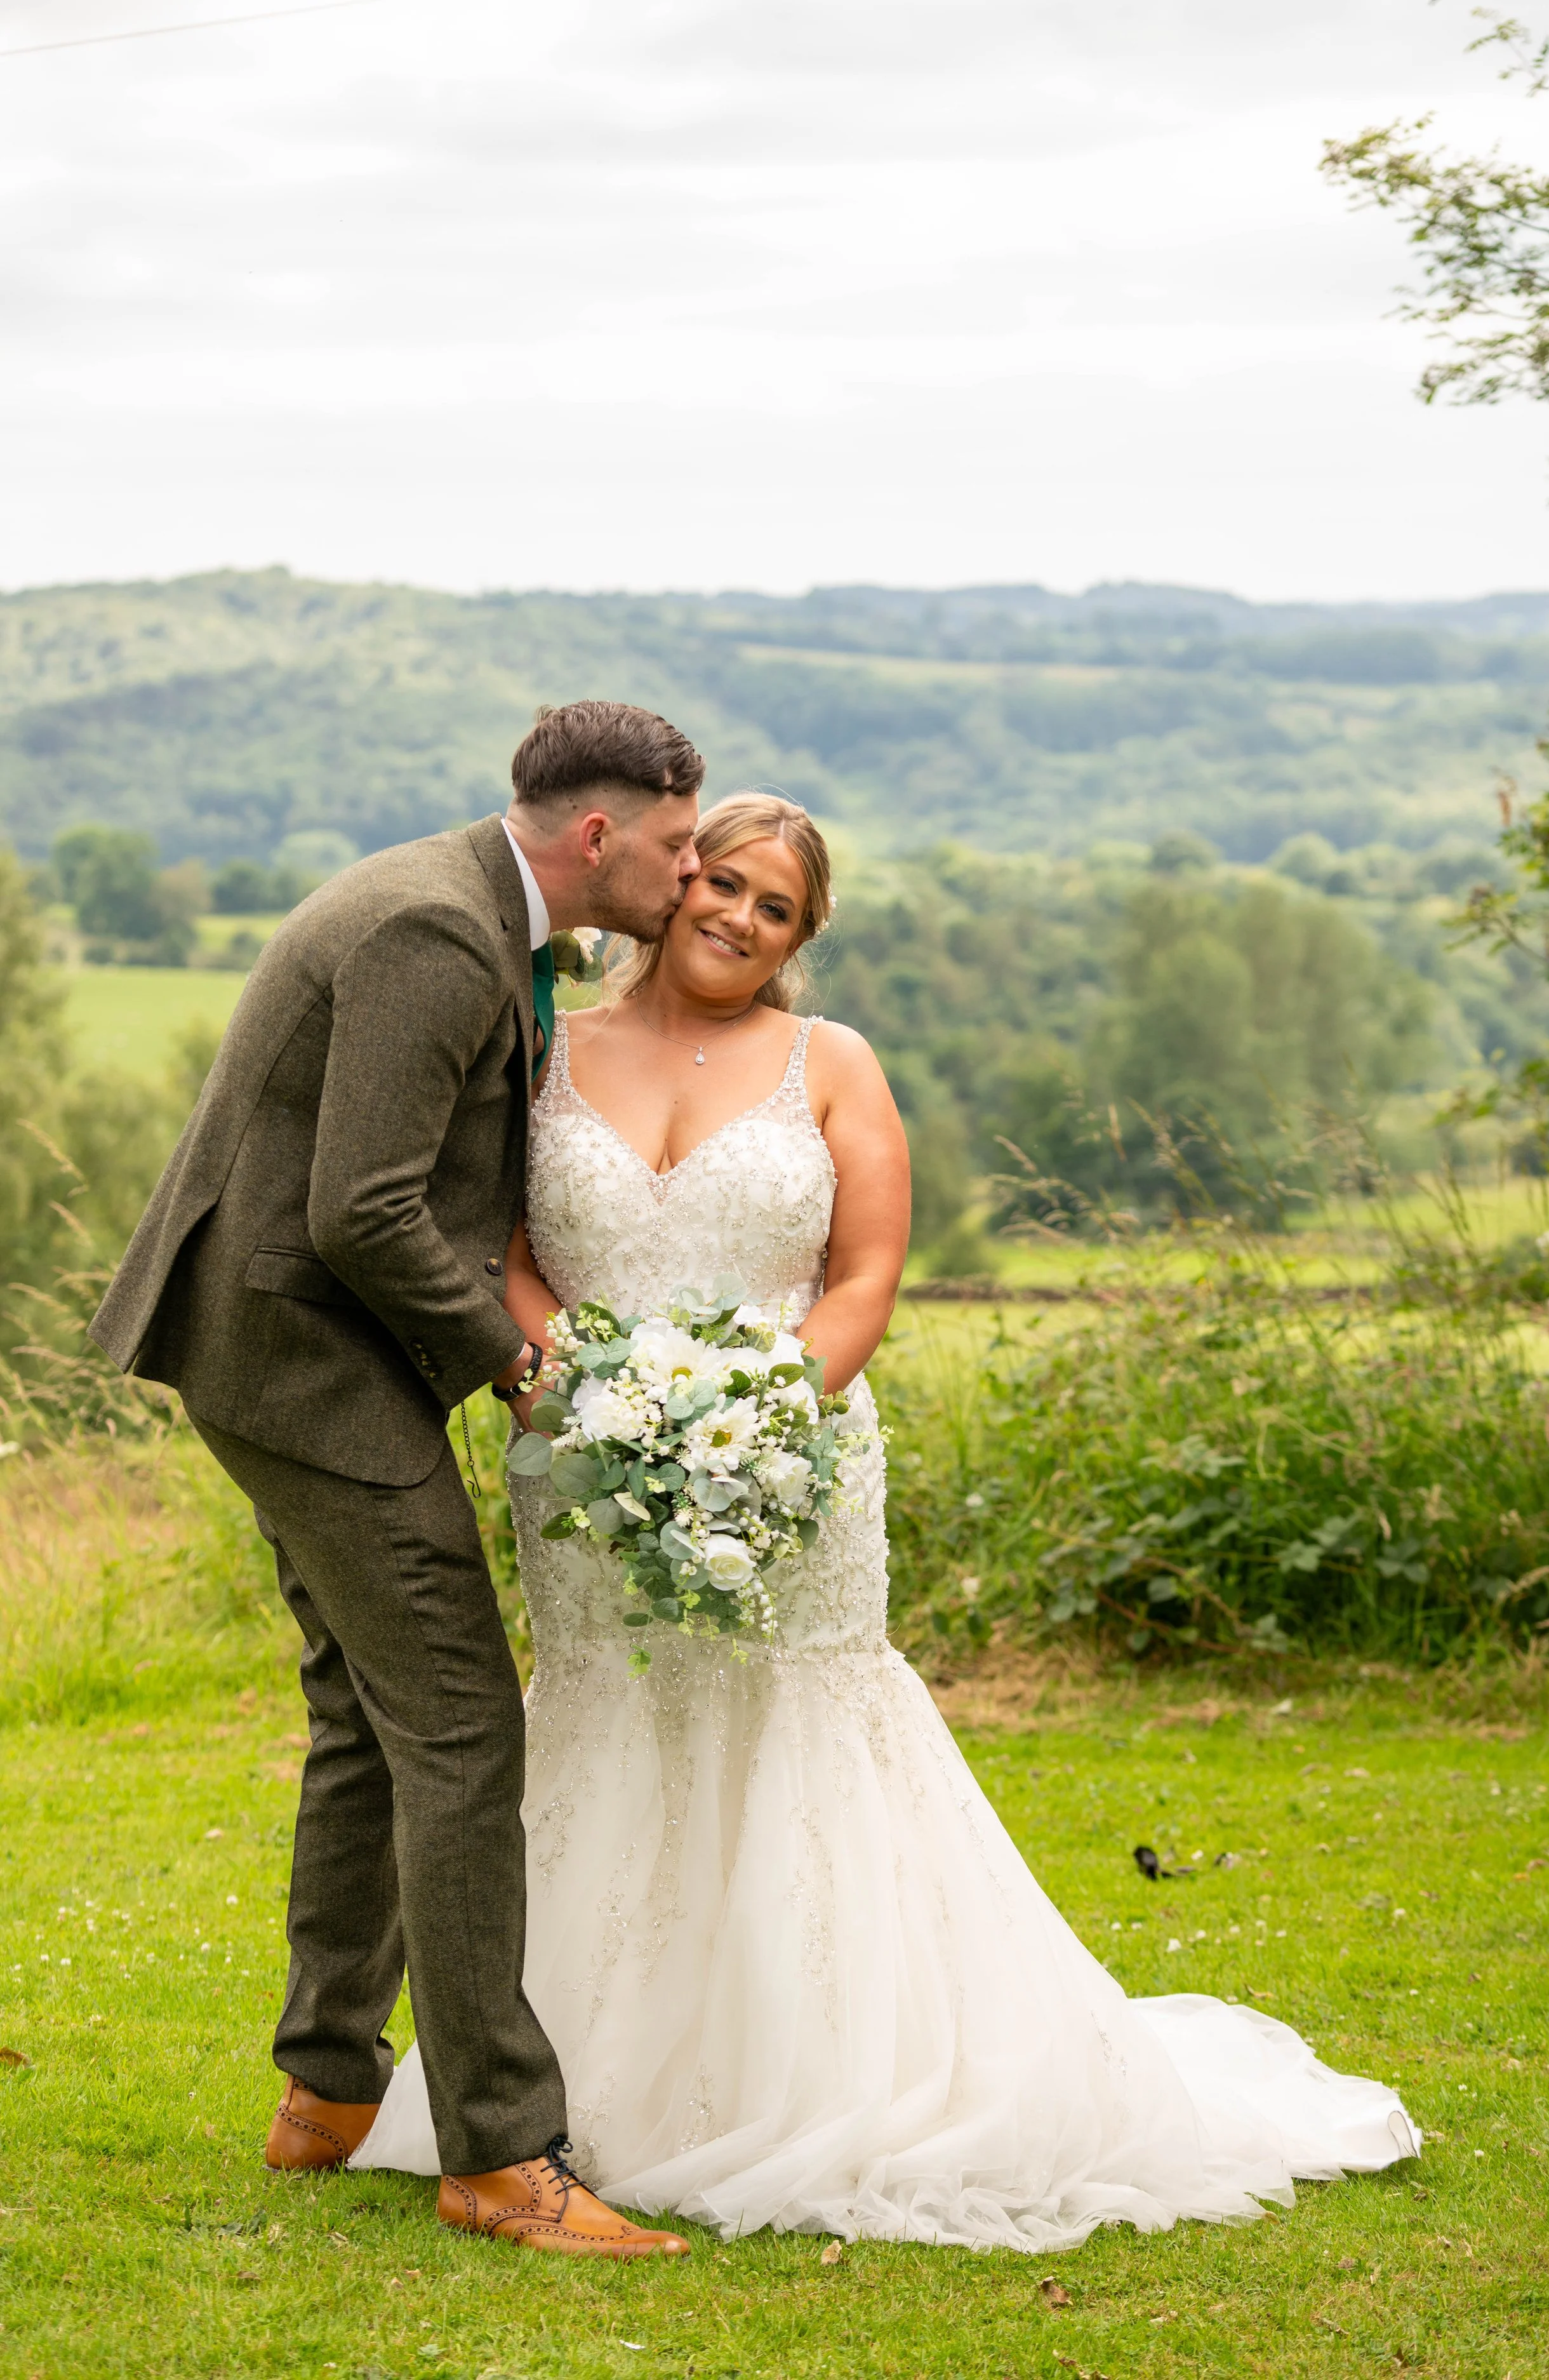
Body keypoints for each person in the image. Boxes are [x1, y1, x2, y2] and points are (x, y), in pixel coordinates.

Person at [350, 791, 1420, 2249]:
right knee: (614, 1715)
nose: (734, 915)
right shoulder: (552, 1050)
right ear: (671, 881)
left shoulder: (829, 1063)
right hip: (585, 1458)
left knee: (794, 1713)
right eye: (718, 881)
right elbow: (510, 1250)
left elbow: (861, 1276)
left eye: (772, 906)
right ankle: (571, 2095)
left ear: (803, 934)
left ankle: (837, 2074)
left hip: (791, 1452)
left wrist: (763, 1422)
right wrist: (578, 1402)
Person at [90, 701, 708, 2260]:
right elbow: (362, 1208)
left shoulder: (466, 906)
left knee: (366, 1715)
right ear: (597, 835)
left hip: (283, 1345)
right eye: (679, 840)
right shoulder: (438, 929)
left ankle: (323, 2088)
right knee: (455, 1717)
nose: (691, 870)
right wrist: (517, 1365)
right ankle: (501, 2154)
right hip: (298, 1357)